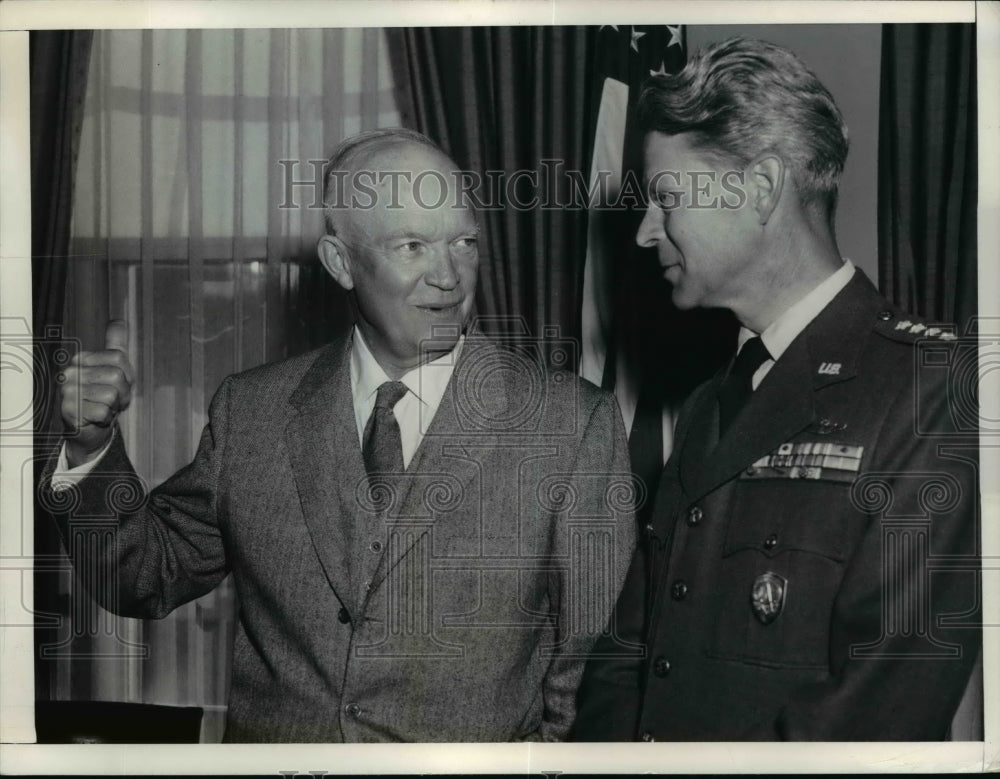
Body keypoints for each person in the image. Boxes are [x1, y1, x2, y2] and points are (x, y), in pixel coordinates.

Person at [43, 128, 636, 742]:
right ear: (341, 262)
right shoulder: (252, 412)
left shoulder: (570, 424)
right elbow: (142, 575)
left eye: (464, 242)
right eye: (412, 246)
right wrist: (91, 448)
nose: (449, 277)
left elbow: (589, 677)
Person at [572, 38, 980, 741]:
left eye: (666, 197)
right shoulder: (711, 404)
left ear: (759, 189)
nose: (644, 232)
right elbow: (629, 659)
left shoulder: (931, 392)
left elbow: (878, 712)